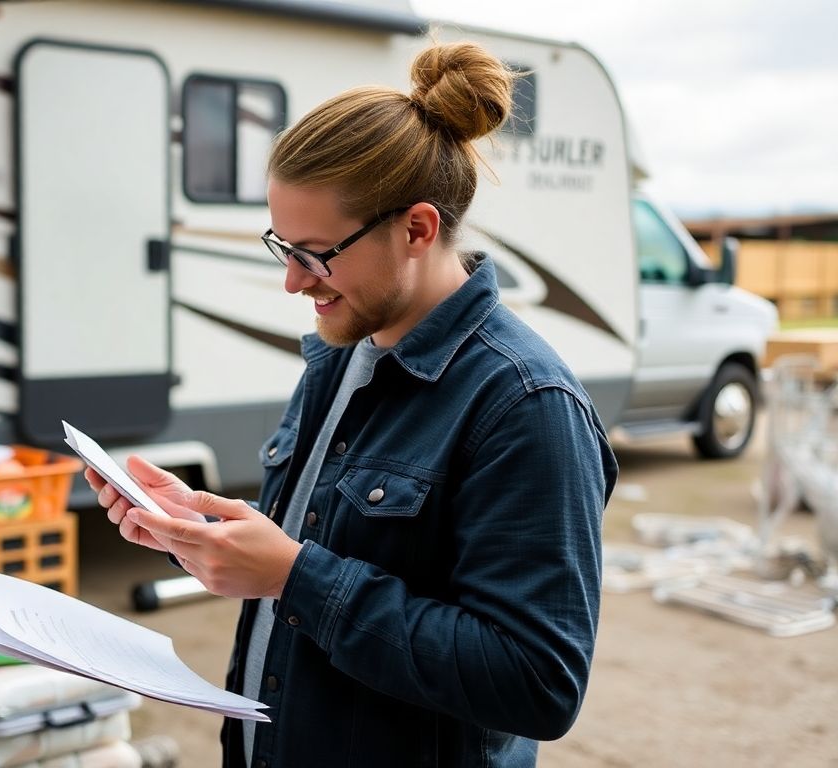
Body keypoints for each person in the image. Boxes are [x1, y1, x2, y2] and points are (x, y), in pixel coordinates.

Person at [86, 40, 617, 768]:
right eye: (283, 247)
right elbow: (319, 548)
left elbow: (536, 683)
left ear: (417, 229)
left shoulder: (526, 405)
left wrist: (290, 576)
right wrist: (203, 531)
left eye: (316, 253)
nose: (294, 284)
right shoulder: (342, 357)